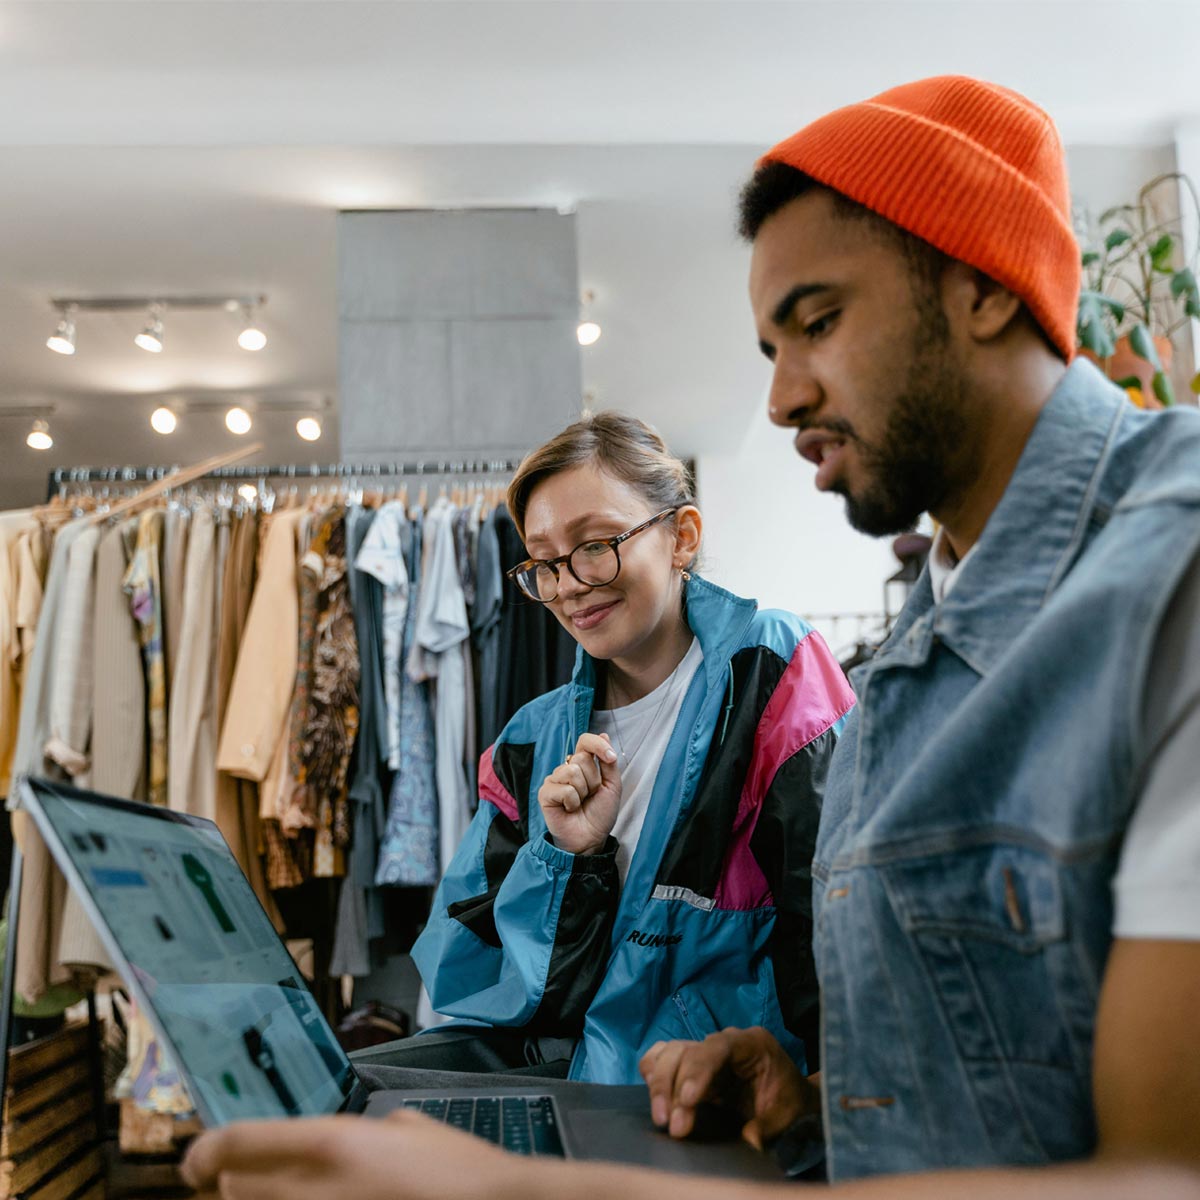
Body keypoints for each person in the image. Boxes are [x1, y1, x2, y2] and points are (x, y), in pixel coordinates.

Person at [182, 75, 1200, 1198]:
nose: (780, 398)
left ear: (985, 287)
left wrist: (530, 1191)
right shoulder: (913, 650)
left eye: (819, 321)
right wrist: (800, 1091)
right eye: (770, 347)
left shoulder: (1165, 578)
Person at [401, 410, 851, 1083]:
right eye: (545, 563)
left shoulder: (771, 670)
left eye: (595, 544)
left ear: (681, 536)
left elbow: (835, 923)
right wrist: (570, 861)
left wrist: (829, 1122)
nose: (569, 584)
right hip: (577, 1101)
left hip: (720, 1112)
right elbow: (465, 974)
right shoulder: (529, 741)